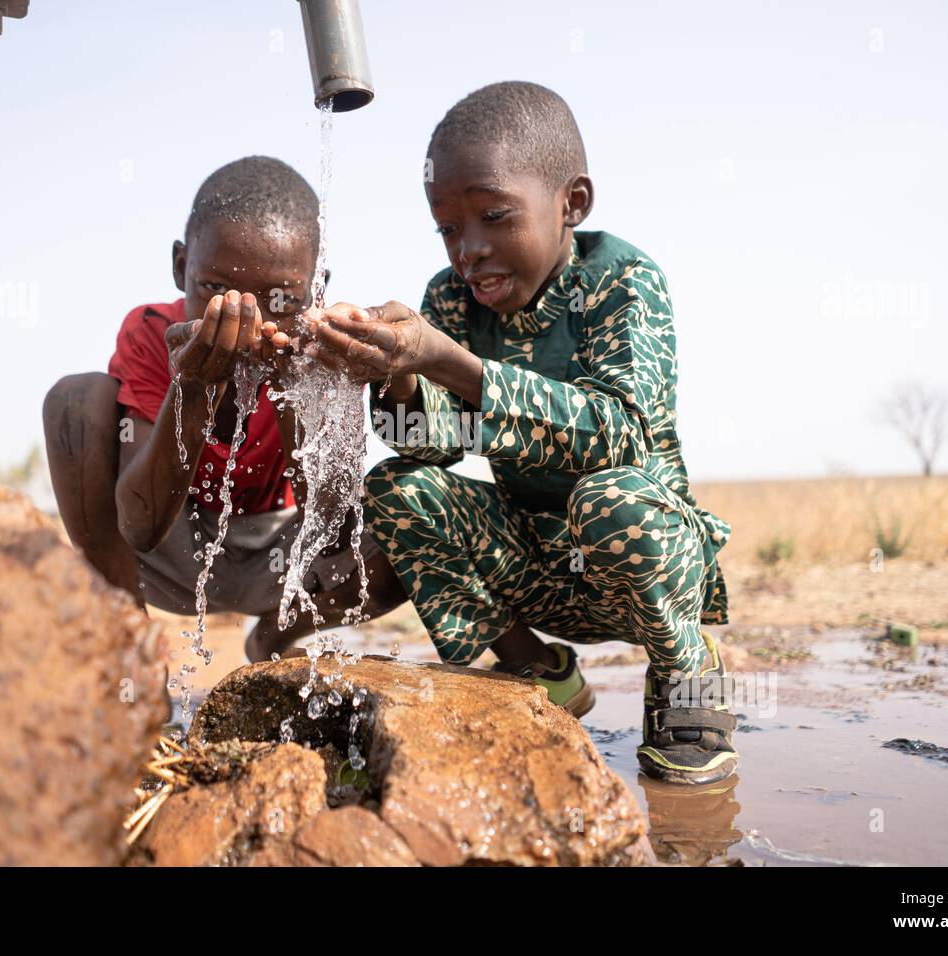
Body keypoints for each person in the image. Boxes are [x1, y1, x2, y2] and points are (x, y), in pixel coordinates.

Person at [306, 83, 737, 785]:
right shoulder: (450, 298)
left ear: (573, 204)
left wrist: (446, 359)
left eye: (493, 216)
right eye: (447, 229)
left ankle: (684, 670)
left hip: (639, 560)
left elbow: (618, 434)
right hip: (534, 566)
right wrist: (396, 374)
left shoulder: (620, 281)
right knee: (398, 487)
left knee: (612, 499)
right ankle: (537, 668)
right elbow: (434, 443)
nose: (467, 251)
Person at [42, 156, 404, 662]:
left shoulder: (323, 345)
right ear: (179, 267)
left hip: (287, 561)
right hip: (172, 550)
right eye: (215, 289)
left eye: (281, 297)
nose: (247, 321)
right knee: (74, 401)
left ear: (315, 287)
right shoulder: (152, 334)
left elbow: (333, 536)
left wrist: (294, 388)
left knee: (413, 521)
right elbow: (138, 527)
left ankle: (273, 639)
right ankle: (128, 647)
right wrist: (191, 388)